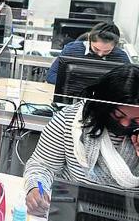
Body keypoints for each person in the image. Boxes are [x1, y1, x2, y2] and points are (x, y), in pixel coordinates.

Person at [23, 64, 139, 216]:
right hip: (71, 212)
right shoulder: (70, 121)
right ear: (102, 104)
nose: (124, 124)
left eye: (136, 120)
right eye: (118, 116)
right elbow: (43, 166)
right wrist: (36, 188)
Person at [46, 22, 130, 84]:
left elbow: (130, 83)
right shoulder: (71, 50)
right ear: (89, 39)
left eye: (107, 51)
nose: (100, 54)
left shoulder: (121, 58)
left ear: (115, 45)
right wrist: (75, 83)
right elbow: (51, 75)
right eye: (96, 49)